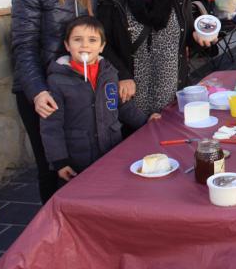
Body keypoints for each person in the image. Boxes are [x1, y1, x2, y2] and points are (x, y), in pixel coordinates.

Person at [11, 0, 100, 204]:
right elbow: (23, 46)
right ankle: (49, 236)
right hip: (43, 90)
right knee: (52, 166)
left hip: (78, 86)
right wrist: (37, 91)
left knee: (83, 160)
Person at [97, 0, 212, 116]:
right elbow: (102, 44)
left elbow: (188, 39)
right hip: (129, 103)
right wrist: (122, 75)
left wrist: (201, 37)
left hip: (172, 100)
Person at [40, 16, 160, 184]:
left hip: (112, 150)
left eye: (92, 40)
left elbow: (122, 105)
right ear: (67, 45)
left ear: (102, 46)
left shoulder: (109, 73)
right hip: (78, 158)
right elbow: (51, 126)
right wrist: (60, 161)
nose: (85, 45)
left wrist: (145, 121)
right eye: (77, 40)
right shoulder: (57, 80)